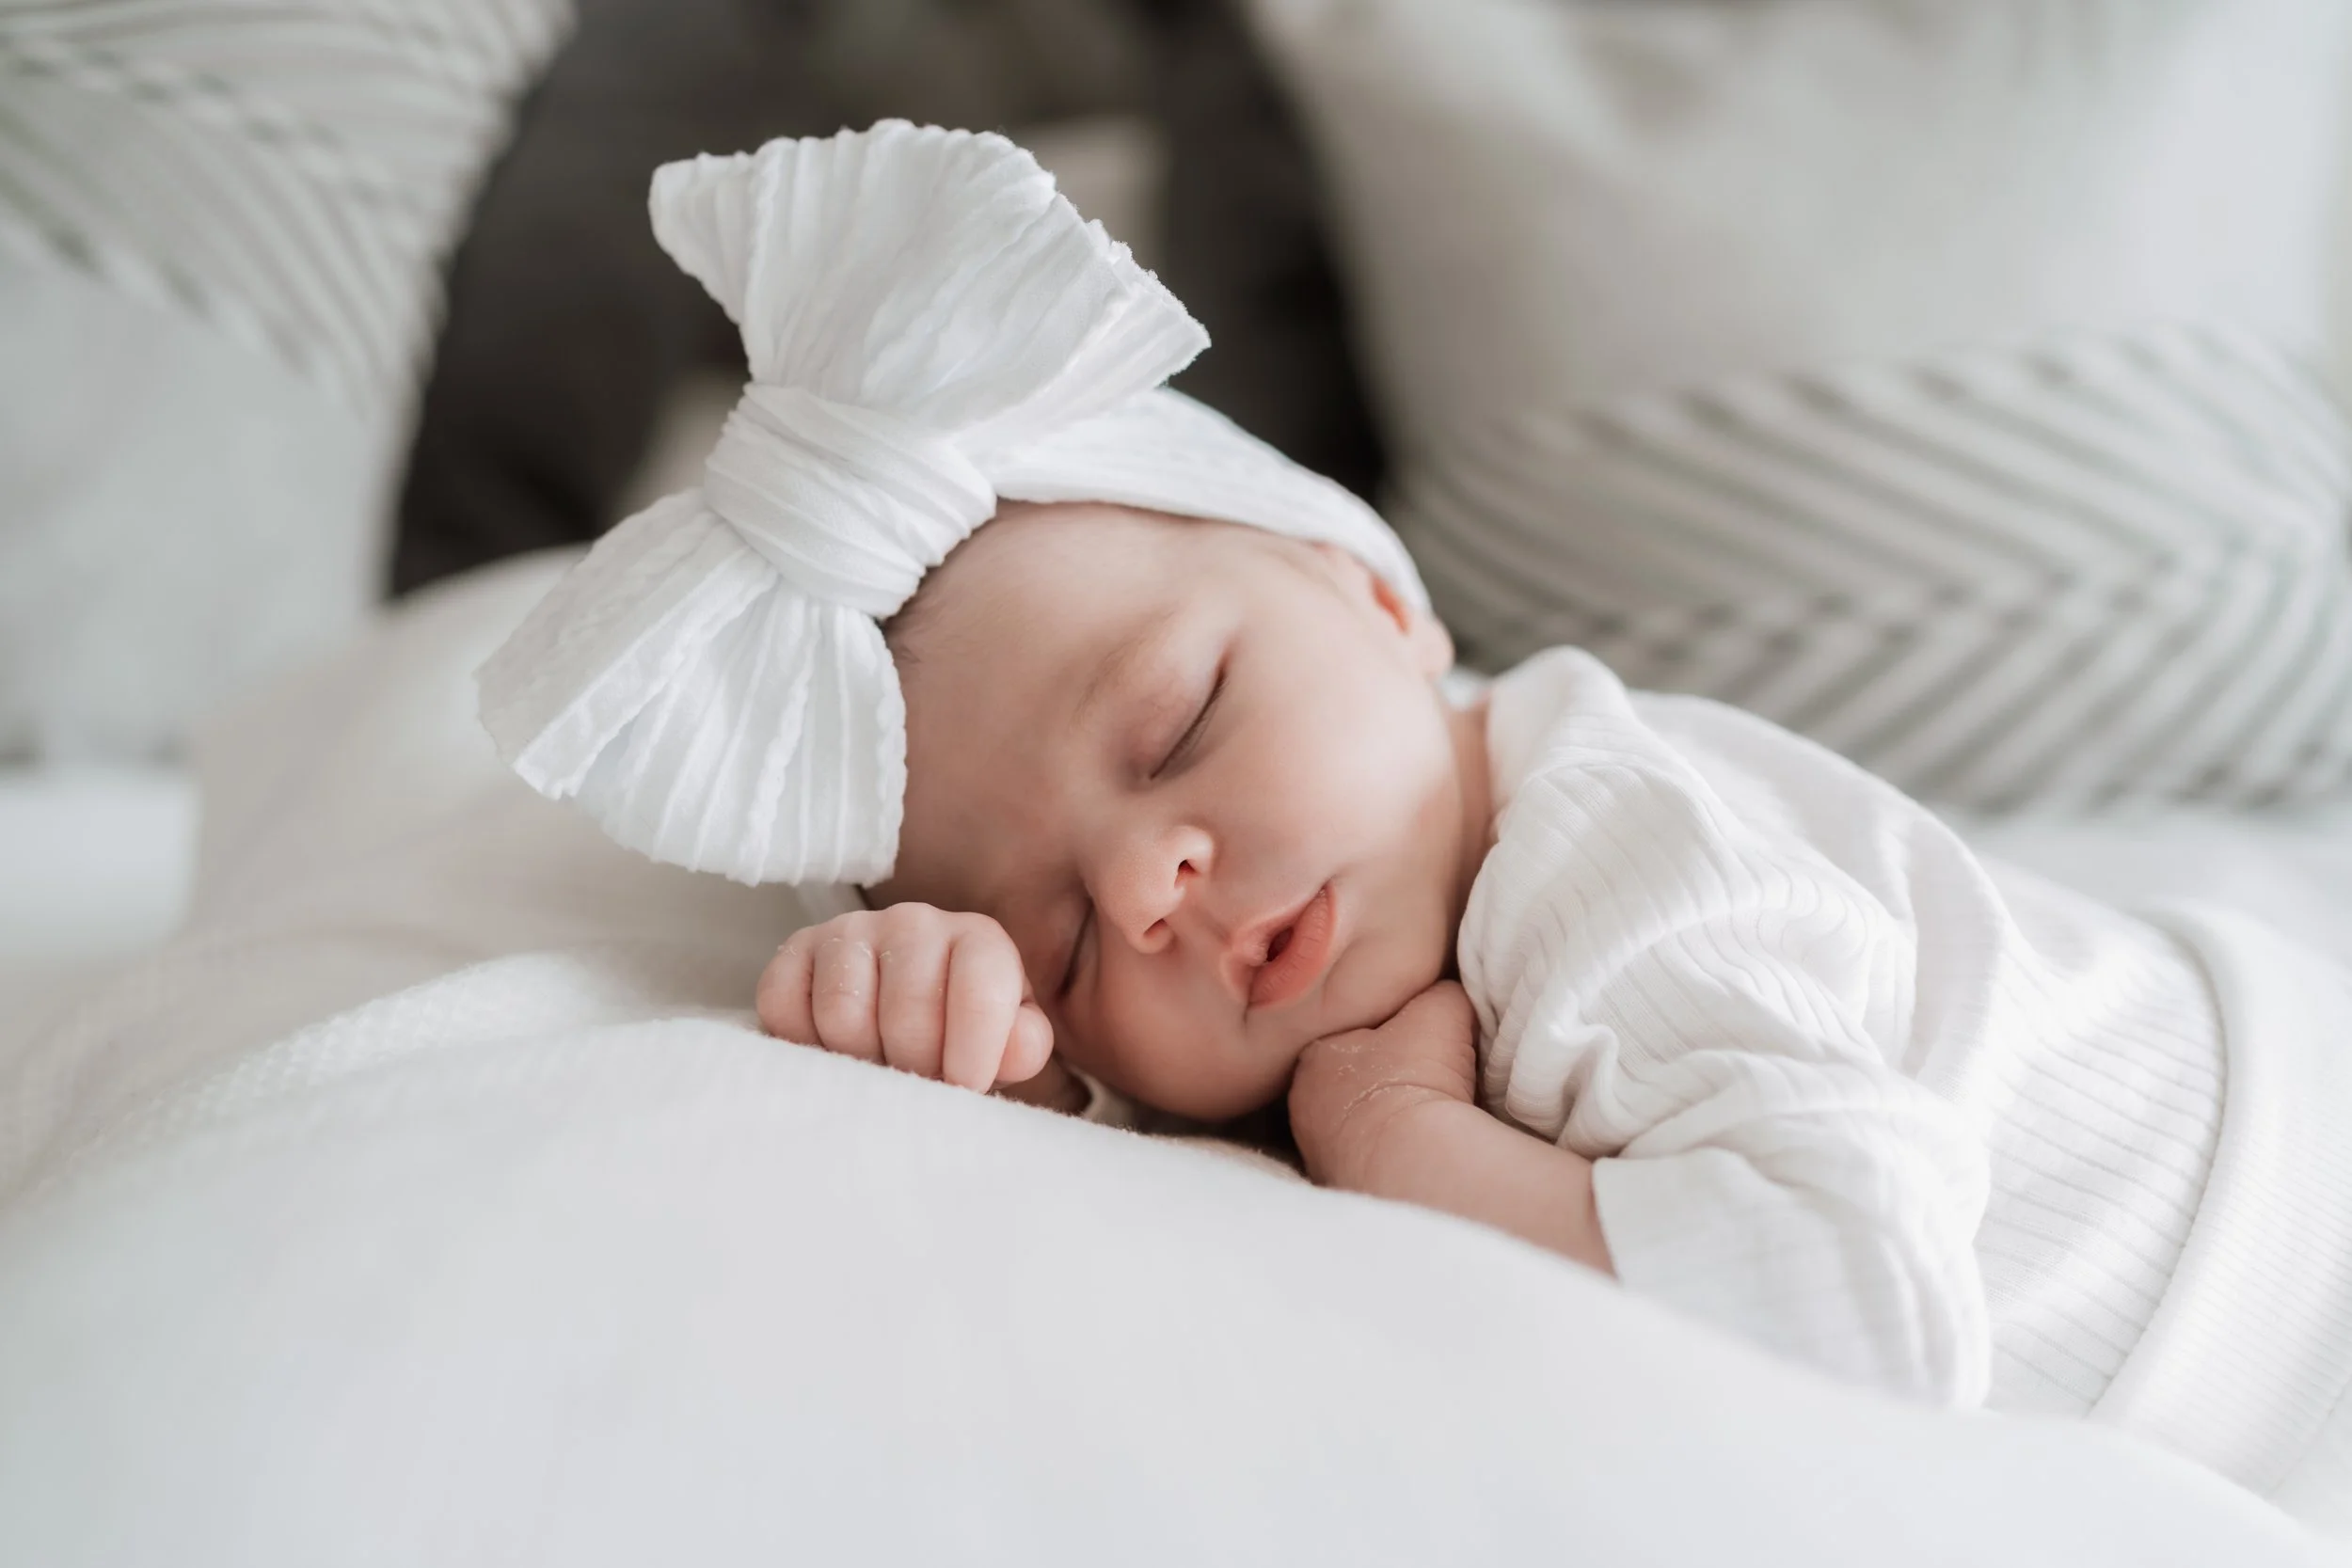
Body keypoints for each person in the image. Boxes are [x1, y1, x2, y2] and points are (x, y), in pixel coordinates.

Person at [476, 120, 2352, 1525]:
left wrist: (1396, 1141)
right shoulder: (1349, 953)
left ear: (1375, 597)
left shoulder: (1615, 864)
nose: (1144, 882)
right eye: (1056, 932)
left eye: (1172, 720)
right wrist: (1001, 1054)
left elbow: (1856, 1316)